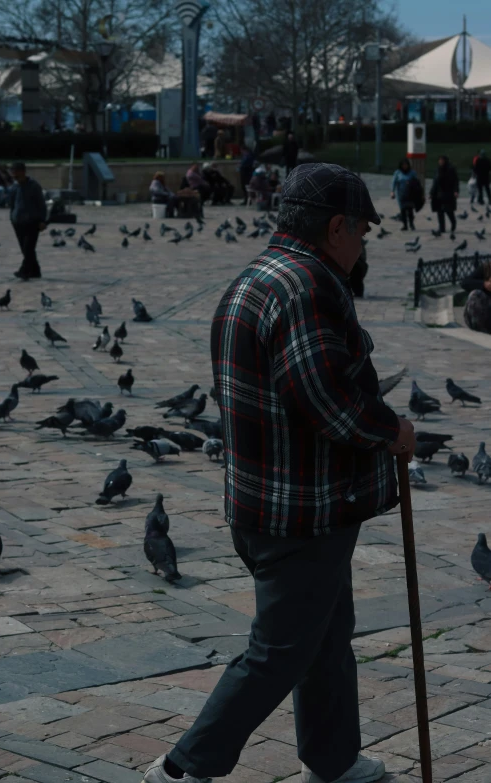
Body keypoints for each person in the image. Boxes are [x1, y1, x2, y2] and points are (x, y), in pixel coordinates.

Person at [143, 163, 415, 783]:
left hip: (267, 501)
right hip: (301, 511)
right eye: (364, 231)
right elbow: (326, 403)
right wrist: (391, 429)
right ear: (338, 226)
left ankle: (333, 757)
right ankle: (184, 768)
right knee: (280, 652)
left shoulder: (258, 275)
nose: (365, 243)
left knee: (325, 635)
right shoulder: (308, 286)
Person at [9, 161, 47, 280]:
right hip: (18, 222)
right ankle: (35, 271)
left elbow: (41, 204)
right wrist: (12, 217)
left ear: (23, 172)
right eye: (13, 173)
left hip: (32, 222)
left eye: (17, 173)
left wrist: (42, 220)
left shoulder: (34, 186)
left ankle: (24, 271)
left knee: (28, 248)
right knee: (25, 249)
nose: (15, 176)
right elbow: (12, 204)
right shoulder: (14, 187)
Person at [430, 155, 458, 234]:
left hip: (448, 192)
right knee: (440, 211)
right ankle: (442, 228)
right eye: (440, 160)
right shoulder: (437, 170)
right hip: (439, 193)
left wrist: (455, 191)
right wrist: (432, 193)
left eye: (442, 160)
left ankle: (453, 222)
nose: (440, 162)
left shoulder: (451, 169)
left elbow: (455, 181)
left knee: (449, 210)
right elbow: (435, 182)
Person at [461, 260, 491, 334]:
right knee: (475, 294)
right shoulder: (486, 269)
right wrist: (484, 284)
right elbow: (465, 283)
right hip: (484, 315)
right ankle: (479, 330)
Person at [391, 158, 418, 231]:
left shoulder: (412, 173)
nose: (404, 166)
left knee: (410, 210)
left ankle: (411, 224)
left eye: (406, 165)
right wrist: (392, 191)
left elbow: (417, 182)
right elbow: (394, 182)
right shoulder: (398, 173)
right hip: (401, 194)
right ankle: (405, 225)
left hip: (410, 194)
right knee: (403, 210)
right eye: (403, 165)